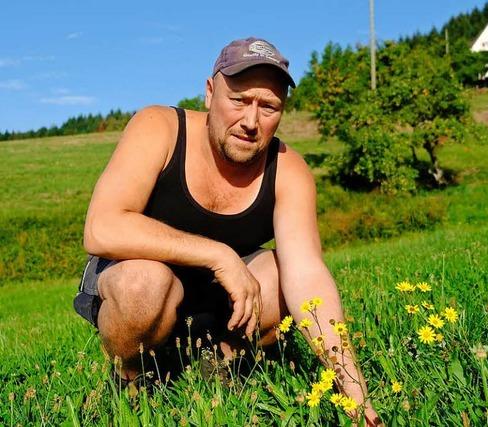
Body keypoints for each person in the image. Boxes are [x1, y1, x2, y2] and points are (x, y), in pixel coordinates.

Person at [73, 37, 380, 424]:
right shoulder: (160, 128)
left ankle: (219, 371)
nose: (251, 122)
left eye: (268, 107)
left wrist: (354, 393)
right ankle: (131, 385)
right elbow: (101, 228)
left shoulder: (289, 170)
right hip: (142, 294)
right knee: (143, 282)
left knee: (281, 272)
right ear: (209, 92)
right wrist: (218, 255)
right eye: (239, 100)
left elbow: (309, 277)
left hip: (218, 310)